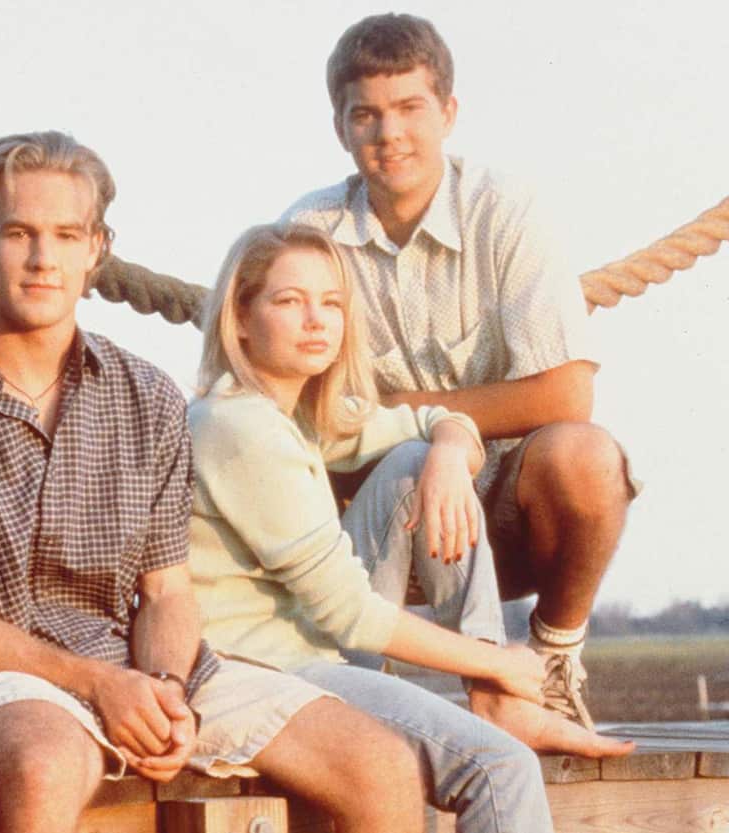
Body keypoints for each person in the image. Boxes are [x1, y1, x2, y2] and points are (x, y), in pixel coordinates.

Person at [0, 131, 433, 833]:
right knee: (48, 760)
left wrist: (163, 686)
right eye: (19, 233)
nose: (45, 259)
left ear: (97, 249)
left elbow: (166, 590)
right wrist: (103, 685)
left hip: (131, 665)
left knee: (379, 761)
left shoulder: (148, 397)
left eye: (67, 235)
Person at [188, 222, 627, 832]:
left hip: (308, 651)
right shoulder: (240, 426)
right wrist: (498, 661)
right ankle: (498, 689)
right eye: (289, 301)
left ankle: (497, 698)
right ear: (239, 319)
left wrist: (449, 452)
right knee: (500, 768)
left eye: (331, 303)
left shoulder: (300, 413)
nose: (316, 320)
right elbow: (351, 615)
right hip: (263, 671)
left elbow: (437, 421)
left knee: (415, 463)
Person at [281, 12, 640, 731]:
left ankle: (549, 661)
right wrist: (424, 439)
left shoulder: (505, 211)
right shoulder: (309, 231)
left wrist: (434, 423)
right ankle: (346, 687)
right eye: (368, 116)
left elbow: (569, 392)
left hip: (506, 517)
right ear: (340, 128)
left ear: (448, 112)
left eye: (411, 108)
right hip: (379, 516)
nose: (390, 135)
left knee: (588, 457)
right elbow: (286, 402)